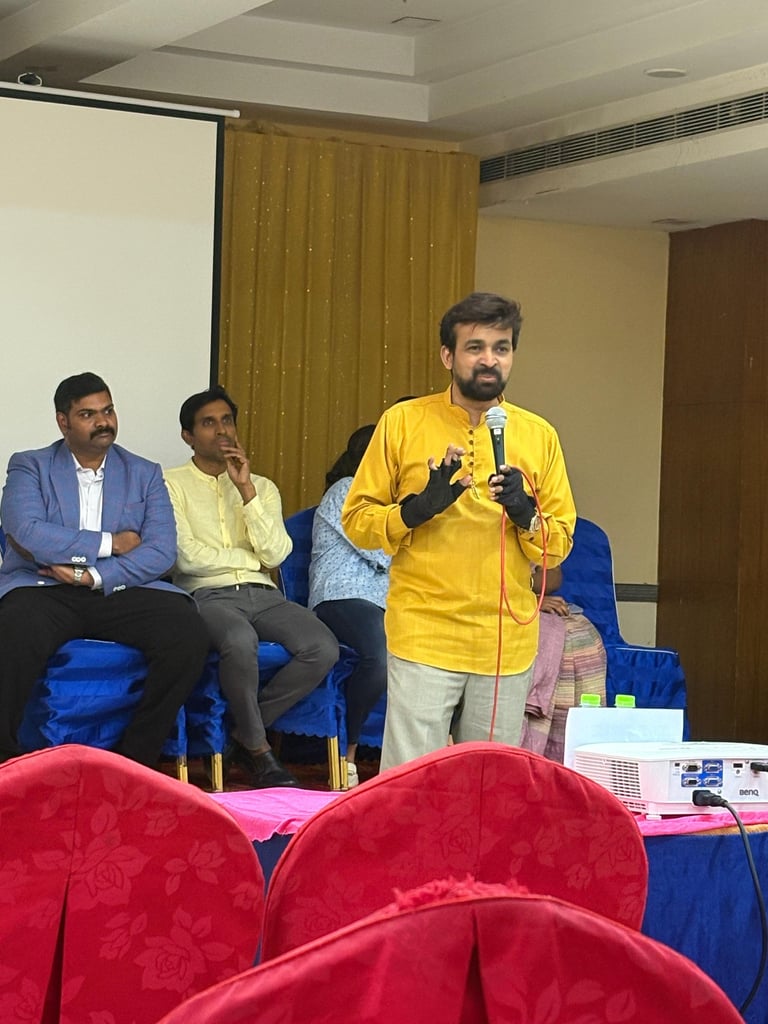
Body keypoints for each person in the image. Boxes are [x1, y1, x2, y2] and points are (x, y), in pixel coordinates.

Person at [342, 292, 577, 770]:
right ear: (448, 356)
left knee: (489, 782)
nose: (489, 359)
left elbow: (559, 544)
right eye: (475, 347)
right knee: (413, 781)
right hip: (425, 630)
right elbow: (357, 521)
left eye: (501, 348)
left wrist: (525, 512)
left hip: (504, 639)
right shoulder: (403, 422)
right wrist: (415, 510)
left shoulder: (538, 435)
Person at [0, 371, 209, 766]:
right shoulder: (30, 465)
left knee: (187, 630)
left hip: (116, 589)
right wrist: (111, 543)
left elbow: (162, 551)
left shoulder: (144, 472)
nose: (103, 422)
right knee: (12, 627)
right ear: (63, 421)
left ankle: (136, 758)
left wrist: (94, 575)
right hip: (44, 589)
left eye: (108, 411)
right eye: (88, 414)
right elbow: (26, 531)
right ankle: (6, 759)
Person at [164, 384, 339, 789]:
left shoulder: (261, 486)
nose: (222, 430)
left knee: (323, 647)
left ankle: (241, 732)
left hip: (264, 594)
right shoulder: (170, 484)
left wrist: (246, 490)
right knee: (239, 641)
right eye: (209, 423)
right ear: (188, 436)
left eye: (227, 420)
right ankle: (259, 751)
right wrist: (249, 559)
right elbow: (186, 558)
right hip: (207, 595)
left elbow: (275, 555)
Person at [308, 425, 390, 787]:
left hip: (390, 604)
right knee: (380, 656)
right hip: (342, 597)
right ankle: (349, 752)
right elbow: (381, 550)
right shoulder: (348, 490)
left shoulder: (396, 503)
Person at [521, 564, 607, 761]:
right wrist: (523, 600)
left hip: (526, 603)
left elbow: (553, 575)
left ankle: (573, 751)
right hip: (491, 612)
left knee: (579, 633)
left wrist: (527, 591)